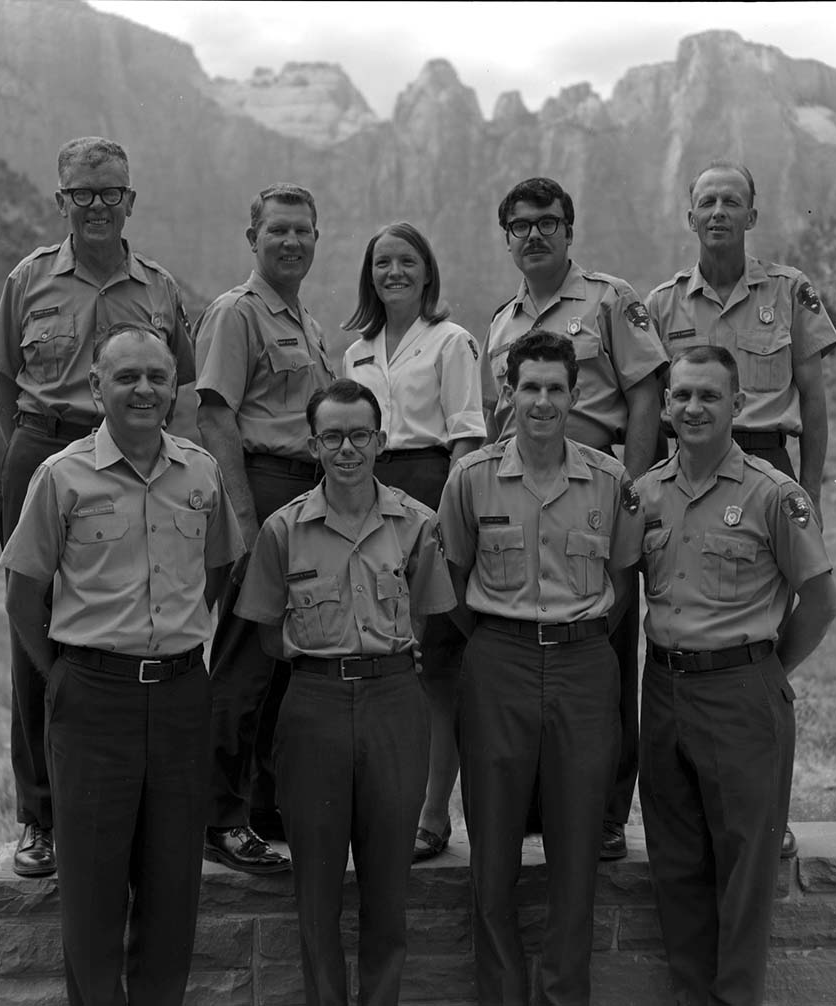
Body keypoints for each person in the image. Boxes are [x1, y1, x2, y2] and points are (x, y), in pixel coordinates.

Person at [0, 323, 245, 1006]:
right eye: (128, 376)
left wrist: (179, 642)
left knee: (173, 891)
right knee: (92, 896)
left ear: (175, 389)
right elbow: (23, 596)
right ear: (95, 386)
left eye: (158, 377)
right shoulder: (62, 476)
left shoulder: (200, 470)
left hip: (177, 697)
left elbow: (218, 569)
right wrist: (62, 676)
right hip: (92, 700)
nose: (144, 389)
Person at [0, 136, 197, 878]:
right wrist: (47, 459)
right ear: (60, 200)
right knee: (32, 627)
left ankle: (135, 807)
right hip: (44, 452)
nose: (96, 205)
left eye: (110, 192)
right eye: (82, 193)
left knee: (128, 619)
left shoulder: (161, 290)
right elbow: (3, 390)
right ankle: (39, 817)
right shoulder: (28, 279)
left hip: (137, 464)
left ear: (131, 200)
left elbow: (180, 393)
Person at [438, 331, 643, 1006]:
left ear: (575, 396)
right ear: (507, 396)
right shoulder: (471, 479)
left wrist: (573, 636)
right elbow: (453, 580)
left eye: (557, 388)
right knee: (492, 857)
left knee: (577, 854)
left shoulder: (610, 482)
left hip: (585, 664)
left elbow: (618, 581)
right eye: (531, 387)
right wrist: (505, 638)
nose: (544, 401)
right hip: (497, 663)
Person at [235, 378, 454, 1006]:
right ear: (313, 446)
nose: (347, 448)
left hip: (394, 706)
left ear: (381, 441)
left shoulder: (417, 524)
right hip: (314, 709)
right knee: (317, 895)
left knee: (388, 892)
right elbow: (268, 632)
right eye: (332, 437)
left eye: (360, 435)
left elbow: (430, 614)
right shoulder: (282, 531)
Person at [645, 159, 836, 858]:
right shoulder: (663, 304)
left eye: (733, 201)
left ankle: (764, 806)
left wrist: (810, 490)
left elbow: (813, 396)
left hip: (767, 463)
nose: (719, 211)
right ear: (690, 215)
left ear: (752, 217)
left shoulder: (789, 291)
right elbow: (652, 406)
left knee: (760, 650)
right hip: (689, 467)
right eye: (707, 201)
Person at [636, 345, 836, 1006]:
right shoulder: (645, 496)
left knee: (744, 876)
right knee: (676, 868)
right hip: (664, 692)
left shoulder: (772, 493)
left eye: (709, 396)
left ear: (737, 406)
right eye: (683, 396)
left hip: (741, 691)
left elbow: (822, 601)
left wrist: (764, 675)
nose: (694, 407)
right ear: (666, 407)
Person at [482, 177, 667, 860]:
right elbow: (490, 424)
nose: (534, 234)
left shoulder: (612, 300)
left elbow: (646, 397)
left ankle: (607, 813)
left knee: (604, 654)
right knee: (528, 649)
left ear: (569, 230)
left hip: (595, 493)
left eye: (548, 222)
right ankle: (541, 806)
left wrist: (637, 492)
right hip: (518, 505)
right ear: (506, 237)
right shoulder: (500, 325)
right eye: (521, 224)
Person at [195, 183, 335, 874]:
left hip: (304, 493)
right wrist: (244, 522)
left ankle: (261, 805)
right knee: (243, 665)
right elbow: (216, 419)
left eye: (303, 231)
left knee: (283, 662)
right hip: (260, 489)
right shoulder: (236, 314)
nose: (291, 242)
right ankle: (218, 816)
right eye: (278, 230)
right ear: (252, 238)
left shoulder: (306, 323)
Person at [341, 221, 485, 862]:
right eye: (381, 263)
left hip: (432, 491)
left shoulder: (452, 341)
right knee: (387, 657)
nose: (393, 272)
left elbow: (466, 437)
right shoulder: (357, 352)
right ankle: (386, 807)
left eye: (405, 262)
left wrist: (447, 524)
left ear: (427, 271)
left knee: (437, 666)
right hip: (370, 501)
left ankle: (432, 815)